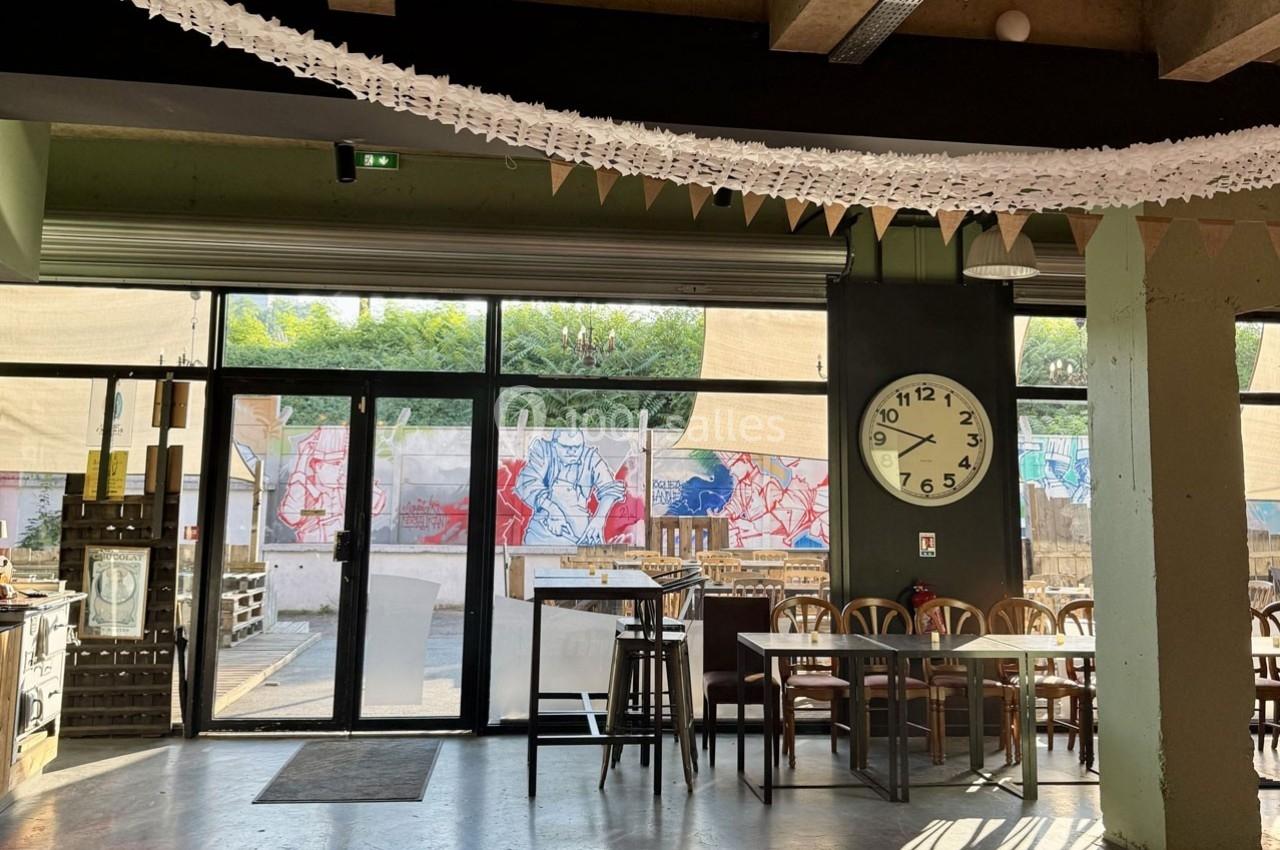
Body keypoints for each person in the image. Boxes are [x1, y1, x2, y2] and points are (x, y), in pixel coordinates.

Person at [515, 428, 625, 546]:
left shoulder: (590, 456)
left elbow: (610, 489)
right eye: (566, 447)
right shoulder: (544, 452)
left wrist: (598, 521)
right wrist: (553, 510)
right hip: (542, 535)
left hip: (581, 538)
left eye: (577, 447)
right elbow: (527, 483)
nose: (572, 451)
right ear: (554, 445)